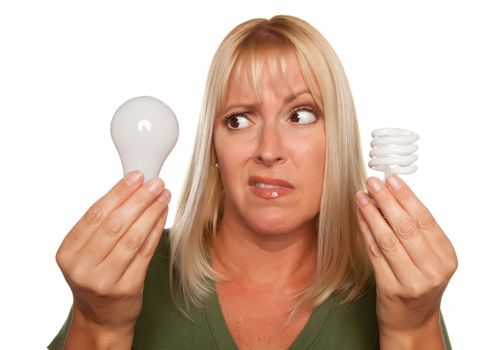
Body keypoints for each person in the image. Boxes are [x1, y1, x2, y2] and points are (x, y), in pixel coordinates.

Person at [48, 15, 457, 349]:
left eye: (300, 115)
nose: (268, 150)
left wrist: (412, 329)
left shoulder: (398, 285)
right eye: (239, 119)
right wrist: (99, 324)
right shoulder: (124, 273)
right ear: (213, 147)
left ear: (339, 137)